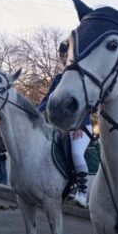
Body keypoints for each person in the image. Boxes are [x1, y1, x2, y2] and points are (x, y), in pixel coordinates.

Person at [39, 40, 92, 208]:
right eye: (62, 56)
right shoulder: (58, 79)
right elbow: (47, 100)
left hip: (81, 126)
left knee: (77, 153)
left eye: (66, 55)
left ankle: (82, 193)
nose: (63, 58)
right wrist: (32, 111)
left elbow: (89, 102)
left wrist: (79, 124)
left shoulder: (83, 76)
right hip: (62, 127)